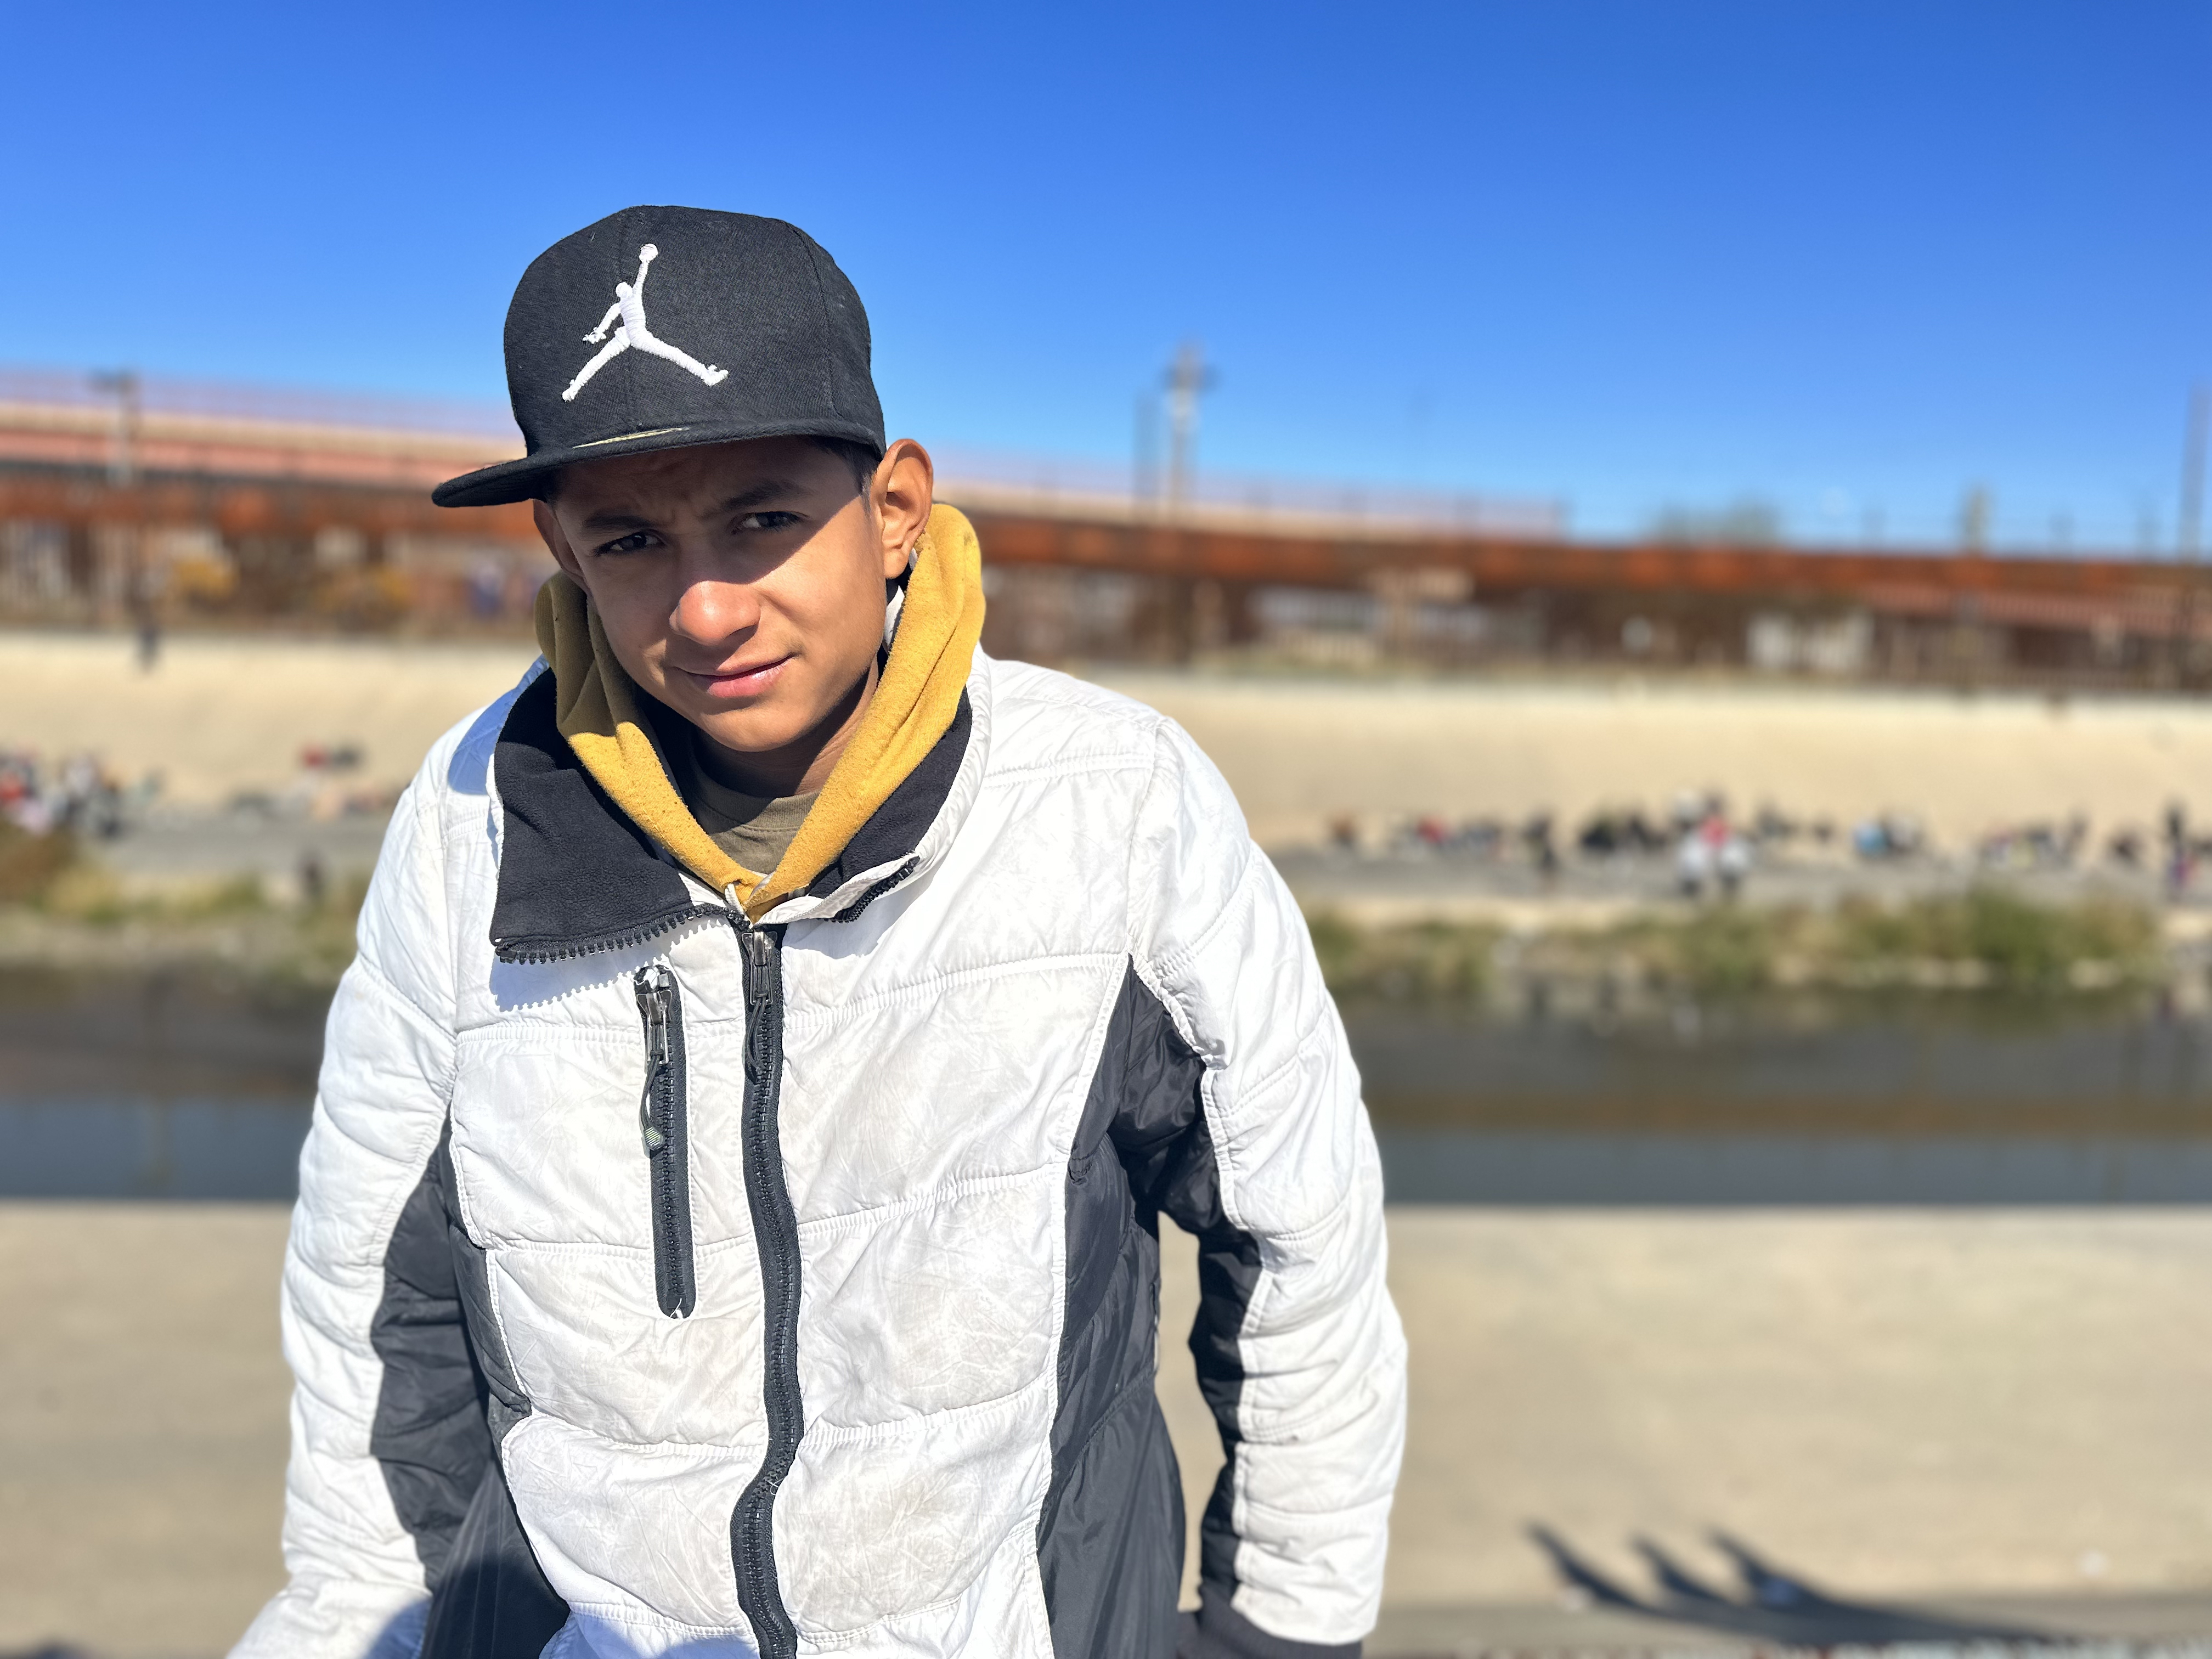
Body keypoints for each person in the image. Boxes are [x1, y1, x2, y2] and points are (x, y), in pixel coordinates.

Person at [233, 207, 1404, 1659]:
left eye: (764, 519)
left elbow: (1299, 1241)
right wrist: (361, 1631)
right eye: (633, 539)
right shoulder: (470, 813)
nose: (709, 605)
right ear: (560, 546)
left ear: (895, 505)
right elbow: (376, 1301)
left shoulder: (1111, 799)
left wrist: (1283, 1629)